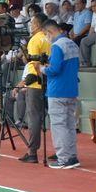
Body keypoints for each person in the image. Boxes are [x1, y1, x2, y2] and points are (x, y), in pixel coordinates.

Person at [43, 20, 81, 170]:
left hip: (57, 90)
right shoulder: (72, 44)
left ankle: (63, 158)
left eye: (46, 34)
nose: (47, 37)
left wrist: (42, 69)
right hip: (71, 89)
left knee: (59, 125)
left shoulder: (57, 46)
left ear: (50, 32)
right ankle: (72, 156)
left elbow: (54, 69)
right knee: (70, 125)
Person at [14, 14, 50, 163]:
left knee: (34, 117)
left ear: (38, 24)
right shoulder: (49, 38)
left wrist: (33, 80)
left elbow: (34, 64)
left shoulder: (35, 40)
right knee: (50, 116)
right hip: (49, 80)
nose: (30, 26)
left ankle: (32, 151)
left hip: (35, 83)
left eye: (33, 23)